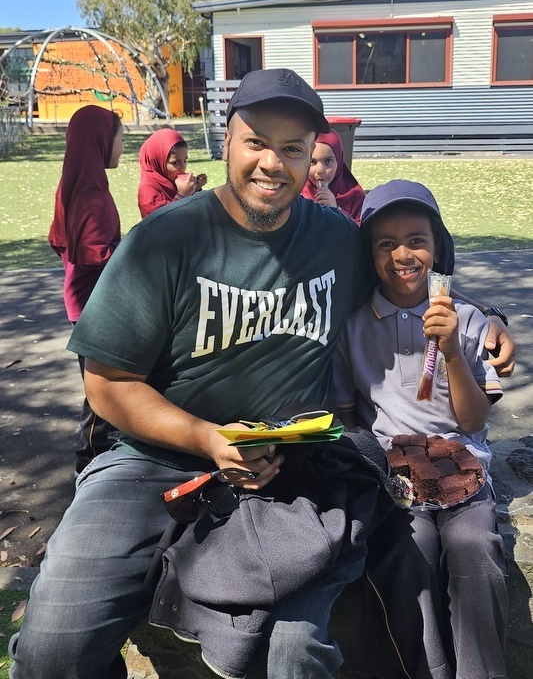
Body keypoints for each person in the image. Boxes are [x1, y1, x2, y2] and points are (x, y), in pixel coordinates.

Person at [10, 71, 515, 679]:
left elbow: (408, 274)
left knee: (292, 652)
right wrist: (206, 440)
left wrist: (487, 318)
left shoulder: (336, 241)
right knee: (52, 648)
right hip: (149, 462)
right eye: (257, 142)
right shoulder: (162, 241)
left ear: (311, 160)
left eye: (293, 149)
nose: (273, 163)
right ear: (225, 142)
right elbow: (107, 382)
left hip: (290, 467)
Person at [333, 179, 509, 679]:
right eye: (385, 244)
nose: (402, 255)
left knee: (475, 548)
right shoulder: (352, 327)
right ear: (368, 255)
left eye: (416, 240)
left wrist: (452, 348)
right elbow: (348, 414)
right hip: (393, 474)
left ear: (437, 247)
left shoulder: (469, 321)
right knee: (410, 554)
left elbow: (473, 420)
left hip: (463, 467)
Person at [48, 104, 124, 475]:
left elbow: (61, 242)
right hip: (95, 308)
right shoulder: (91, 194)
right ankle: (88, 466)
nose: (122, 146)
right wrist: (136, 254)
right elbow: (97, 257)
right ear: (101, 140)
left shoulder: (76, 180)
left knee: (105, 389)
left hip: (84, 303)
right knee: (102, 396)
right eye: (119, 138)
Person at [137, 127, 207, 218]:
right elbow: (160, 223)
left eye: (185, 160)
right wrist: (182, 196)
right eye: (175, 162)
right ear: (158, 162)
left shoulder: (171, 181)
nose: (183, 167)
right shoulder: (148, 190)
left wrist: (195, 189)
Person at [300, 129, 365, 224]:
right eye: (312, 162)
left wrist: (336, 210)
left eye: (328, 161)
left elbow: (361, 232)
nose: (320, 170)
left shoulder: (355, 195)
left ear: (339, 160)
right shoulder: (297, 192)